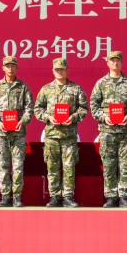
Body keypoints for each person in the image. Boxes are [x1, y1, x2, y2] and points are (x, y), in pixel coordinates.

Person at [89, 51, 127, 208]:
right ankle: (111, 196)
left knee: (125, 165)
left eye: (117, 60)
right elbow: (93, 105)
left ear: (121, 62)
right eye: (112, 60)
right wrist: (103, 117)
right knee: (109, 165)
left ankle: (124, 196)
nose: (115, 63)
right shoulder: (101, 83)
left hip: (126, 132)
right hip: (107, 131)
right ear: (107, 63)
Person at [34, 58, 89, 207]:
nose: (59, 72)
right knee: (52, 167)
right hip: (52, 135)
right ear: (53, 71)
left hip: (69, 135)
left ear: (67, 70)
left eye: (62, 69)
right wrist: (48, 117)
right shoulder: (46, 89)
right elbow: (37, 109)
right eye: (57, 69)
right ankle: (54, 197)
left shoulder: (76, 89)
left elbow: (84, 108)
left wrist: (73, 117)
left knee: (69, 167)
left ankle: (68, 197)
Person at [0, 56, 34, 207]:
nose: (10, 68)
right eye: (8, 66)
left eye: (13, 66)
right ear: (3, 68)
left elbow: (29, 108)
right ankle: (5, 196)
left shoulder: (23, 87)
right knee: (3, 166)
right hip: (2, 134)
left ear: (17, 68)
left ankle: (17, 197)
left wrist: (23, 121)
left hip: (18, 134)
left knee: (18, 166)